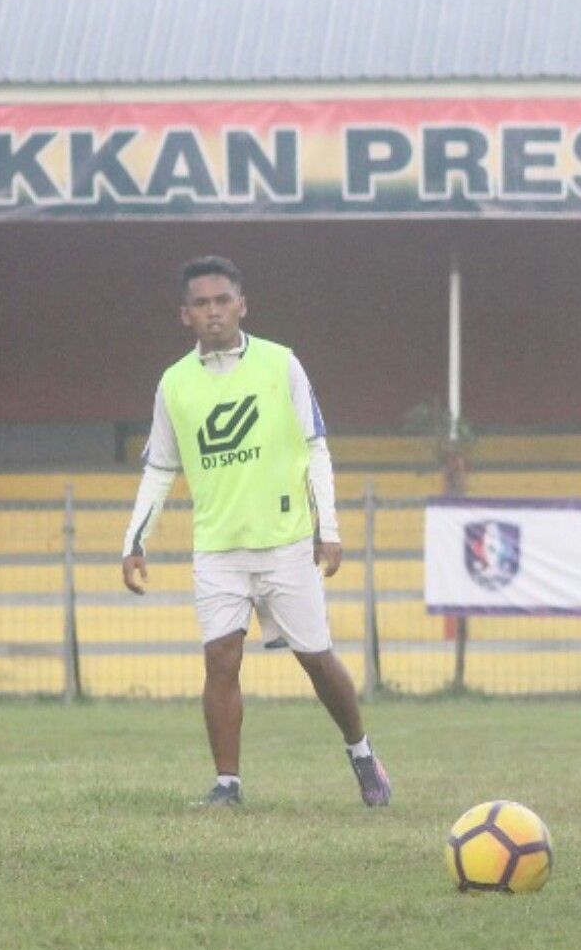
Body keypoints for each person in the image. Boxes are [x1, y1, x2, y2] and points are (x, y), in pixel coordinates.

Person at [121, 255, 391, 809]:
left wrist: (329, 529)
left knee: (316, 659)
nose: (214, 312)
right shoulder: (173, 384)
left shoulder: (281, 364)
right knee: (220, 659)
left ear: (242, 305)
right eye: (202, 304)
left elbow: (315, 447)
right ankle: (228, 784)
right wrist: (134, 542)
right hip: (217, 549)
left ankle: (361, 751)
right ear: (185, 315)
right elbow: (160, 468)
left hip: (287, 543)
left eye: (223, 301)